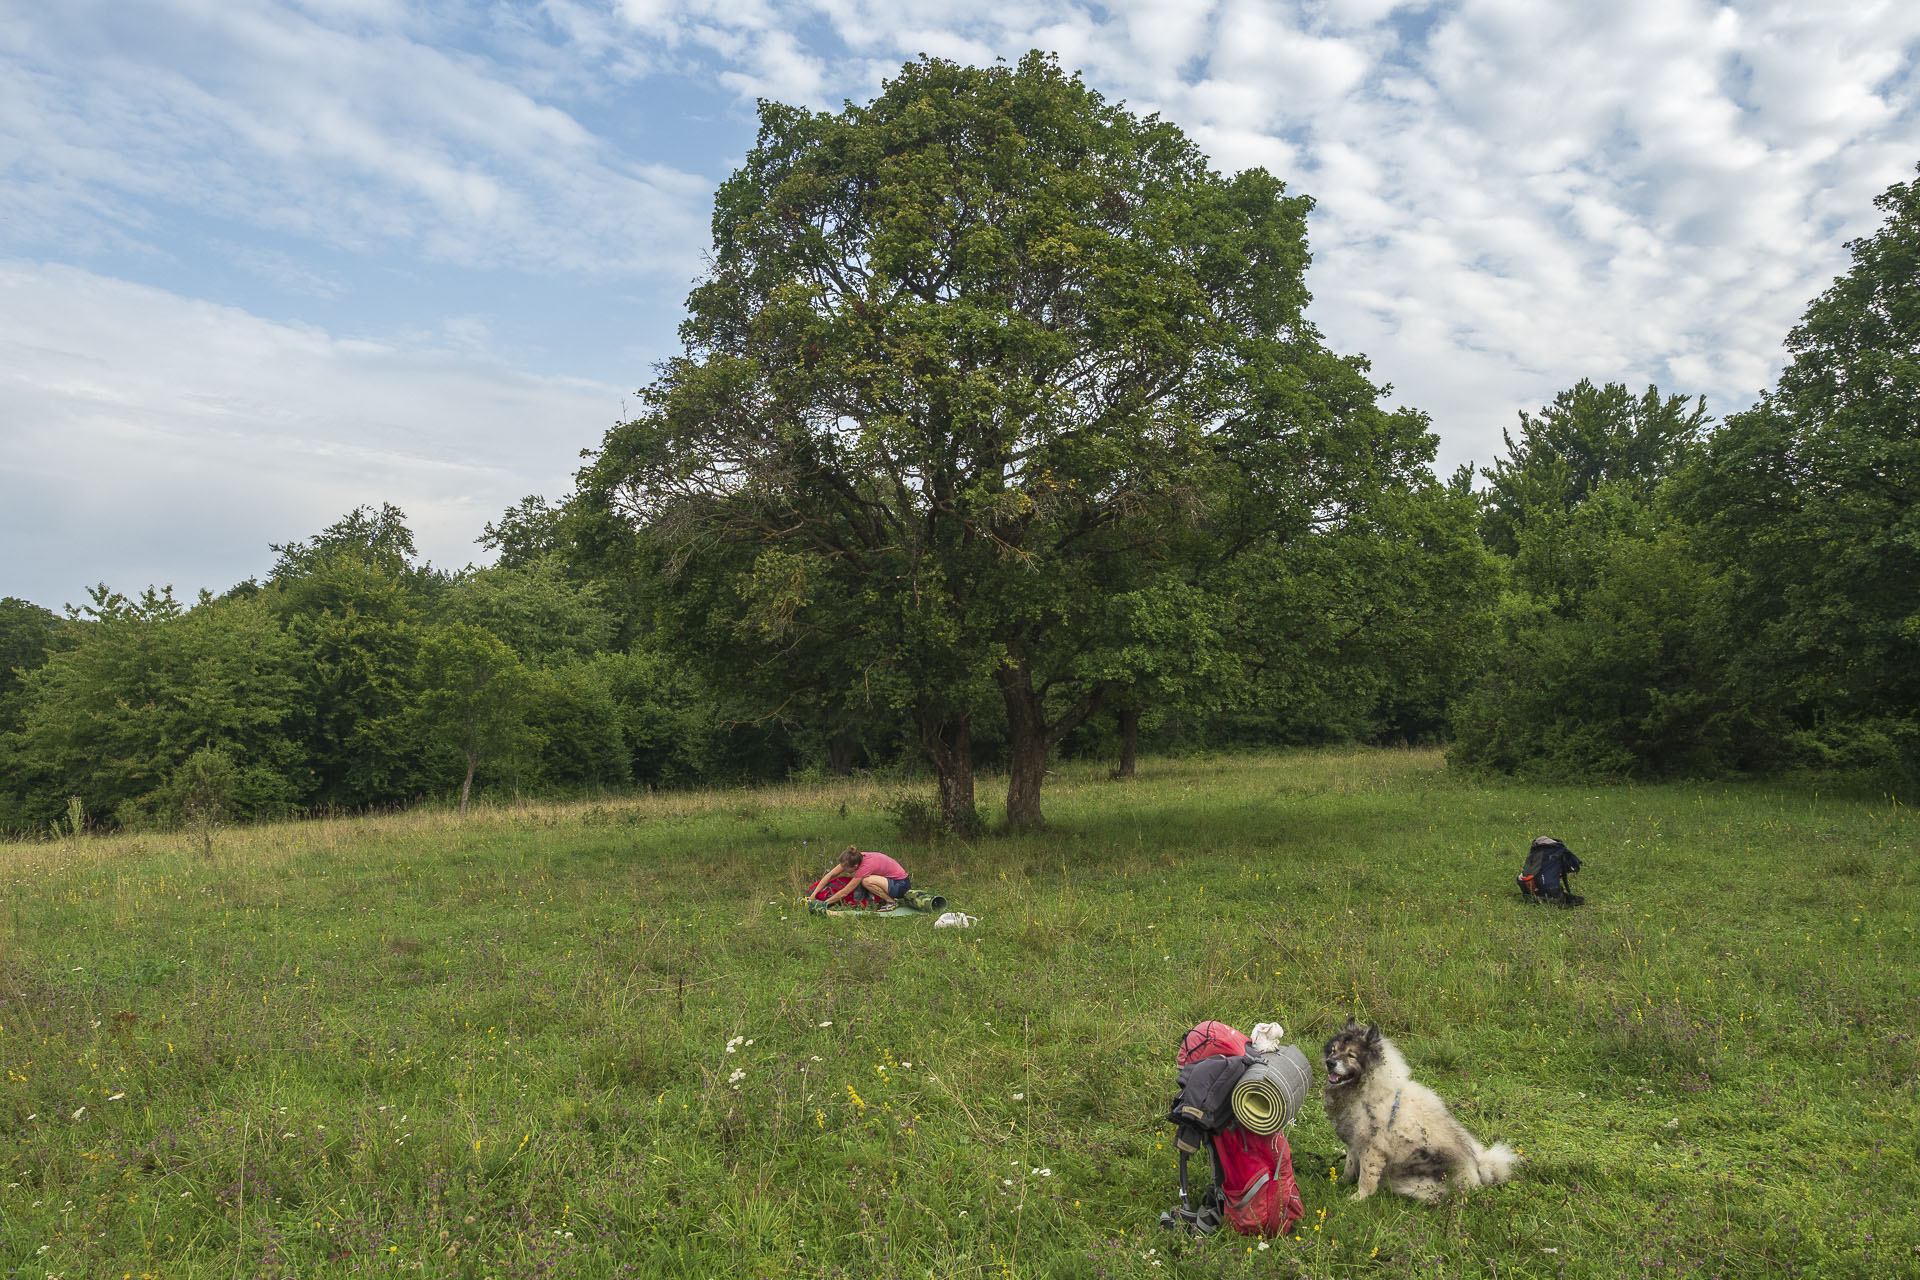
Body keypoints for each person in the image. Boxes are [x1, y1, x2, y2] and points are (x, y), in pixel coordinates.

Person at [811, 845, 911, 911]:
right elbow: (830, 875)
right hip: (889, 882)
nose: (843, 870)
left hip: (901, 885)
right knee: (865, 881)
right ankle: (887, 899)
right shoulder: (854, 858)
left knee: (866, 881)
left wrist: (824, 904)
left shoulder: (864, 867)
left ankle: (891, 902)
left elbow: (845, 892)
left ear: (855, 867)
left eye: (845, 869)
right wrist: (814, 894)